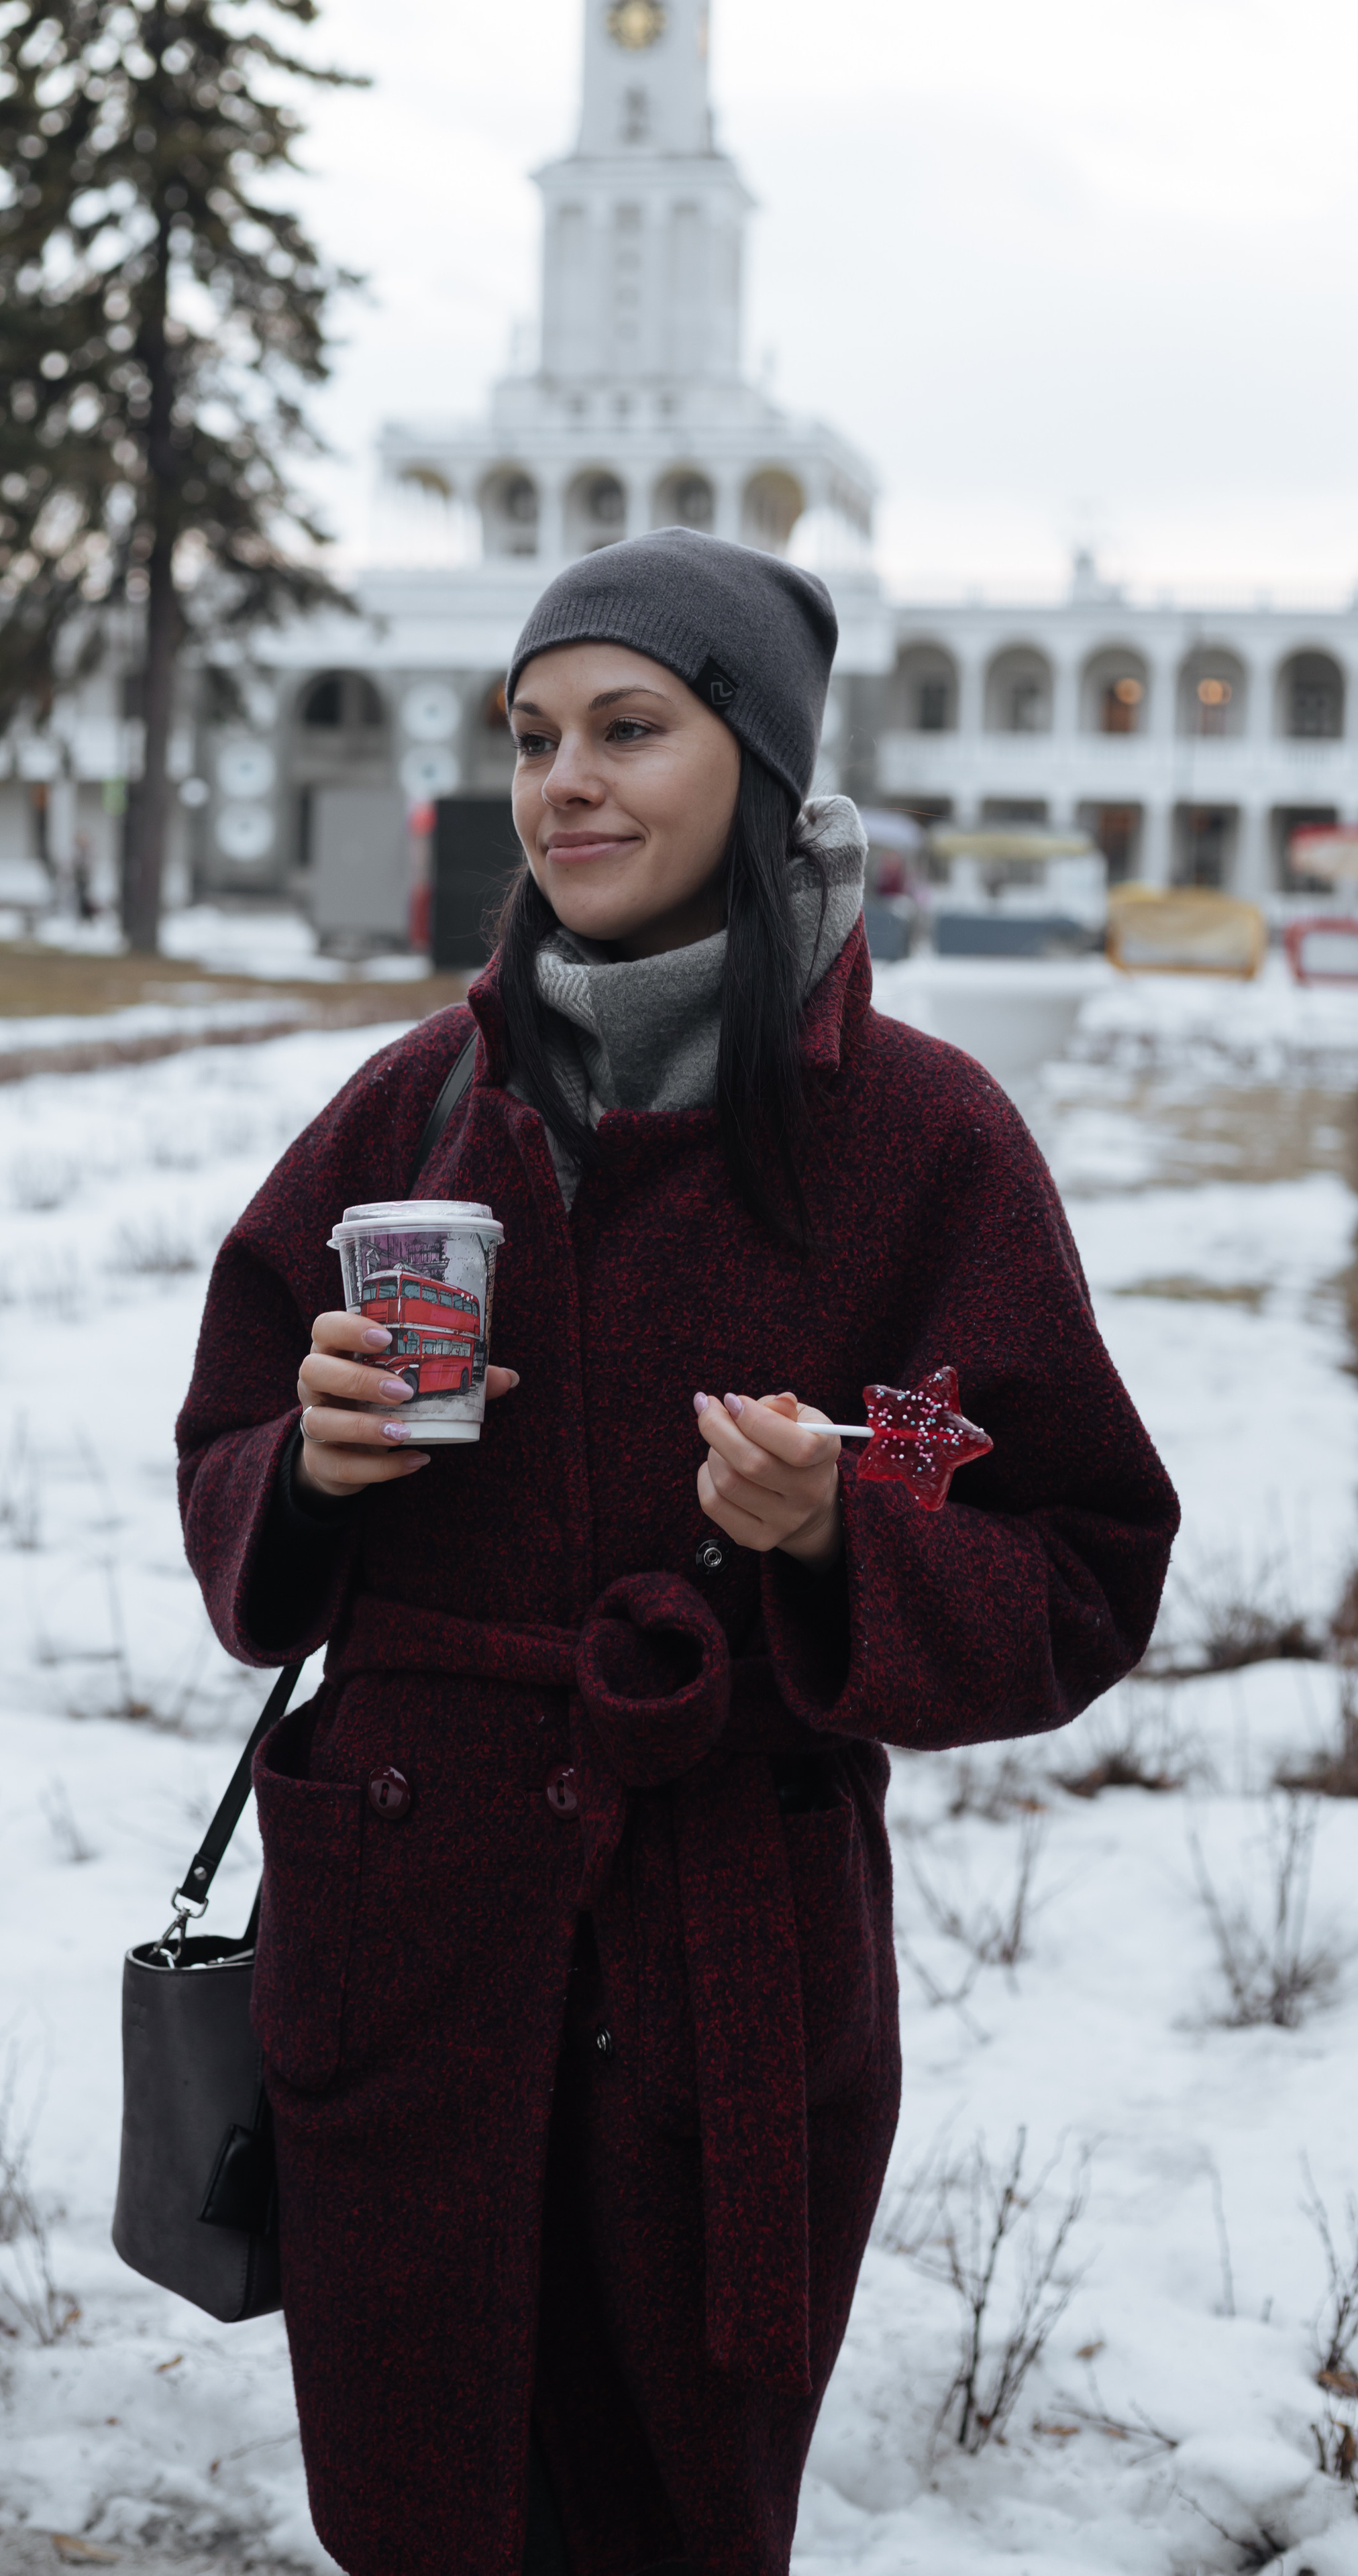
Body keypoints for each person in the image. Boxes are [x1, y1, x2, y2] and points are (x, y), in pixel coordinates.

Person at [176, 529, 1178, 2576]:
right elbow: (221, 1441)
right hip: (404, 1933)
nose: (567, 784)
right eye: (536, 736)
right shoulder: (416, 1110)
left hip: (726, 1962)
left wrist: (848, 1532)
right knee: (419, 2516)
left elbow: (1072, 1545)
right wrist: (308, 1465)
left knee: (671, 2528)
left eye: (631, 728)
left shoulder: (924, 1141)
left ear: (765, 768)